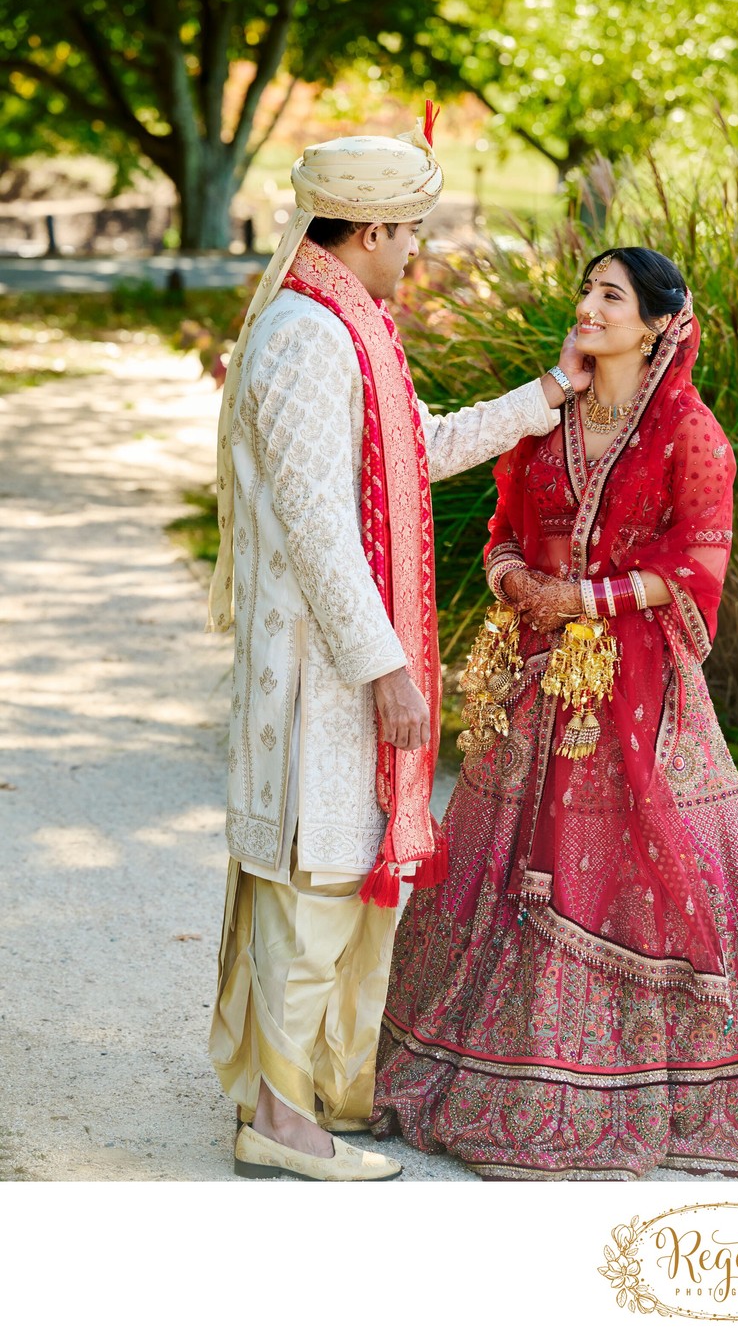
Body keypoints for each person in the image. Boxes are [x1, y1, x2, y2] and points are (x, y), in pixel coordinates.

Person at [372, 247, 738, 1180]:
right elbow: (502, 528)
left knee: (660, 847)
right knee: (501, 858)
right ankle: (486, 1065)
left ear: (659, 322)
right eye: (585, 291)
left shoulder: (690, 433)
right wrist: (516, 577)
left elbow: (693, 568)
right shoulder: (547, 420)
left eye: (610, 296)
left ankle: (662, 1083)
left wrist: (582, 602)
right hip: (533, 676)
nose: (587, 307)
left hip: (636, 687)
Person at [206, 115, 577, 1181]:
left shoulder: (348, 322)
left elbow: (421, 449)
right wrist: (387, 668)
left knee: (351, 876)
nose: (421, 247)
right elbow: (322, 528)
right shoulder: (310, 337)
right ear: (366, 227)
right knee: (314, 884)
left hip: (345, 659)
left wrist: (543, 396)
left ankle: (327, 1086)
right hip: (323, 667)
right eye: (411, 228)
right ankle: (276, 1121)